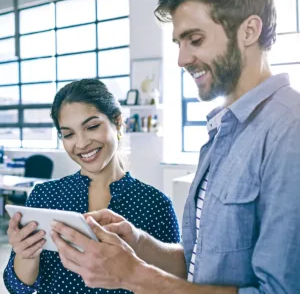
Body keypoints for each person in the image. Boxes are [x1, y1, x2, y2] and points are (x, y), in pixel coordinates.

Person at [50, 0, 300, 293]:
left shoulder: (290, 131)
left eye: (195, 39)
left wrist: (133, 275)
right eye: (179, 44)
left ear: (249, 31)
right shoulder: (224, 130)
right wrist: (138, 242)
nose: (182, 59)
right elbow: (201, 265)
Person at [3, 79, 180, 294]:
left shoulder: (155, 204)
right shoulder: (44, 197)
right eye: (68, 134)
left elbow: (174, 284)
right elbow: (17, 287)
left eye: (92, 127)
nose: (82, 143)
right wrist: (25, 254)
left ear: (118, 122)